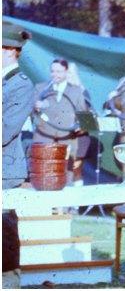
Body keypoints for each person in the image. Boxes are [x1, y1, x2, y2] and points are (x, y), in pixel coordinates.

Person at [2, 21, 35, 289]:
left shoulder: (21, 85)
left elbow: (6, 130)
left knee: (4, 232)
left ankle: (9, 284)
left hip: (5, 169)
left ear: (11, 50)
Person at [32, 58, 90, 186]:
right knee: (44, 173)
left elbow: (84, 115)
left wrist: (80, 126)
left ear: (66, 72)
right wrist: (35, 106)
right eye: (52, 71)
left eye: (59, 71)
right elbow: (31, 110)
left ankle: (65, 198)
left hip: (67, 138)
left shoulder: (76, 91)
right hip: (44, 136)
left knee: (66, 175)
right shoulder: (40, 88)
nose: (55, 74)